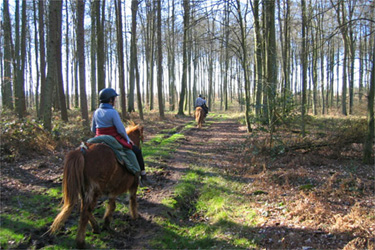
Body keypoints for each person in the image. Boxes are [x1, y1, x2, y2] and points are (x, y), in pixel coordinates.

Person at [91, 88, 151, 186]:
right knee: (136, 151)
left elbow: (93, 129)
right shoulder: (113, 112)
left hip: (98, 137)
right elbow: (121, 130)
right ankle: (143, 176)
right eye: (114, 98)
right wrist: (128, 140)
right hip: (113, 138)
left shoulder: (96, 112)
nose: (114, 101)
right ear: (110, 100)